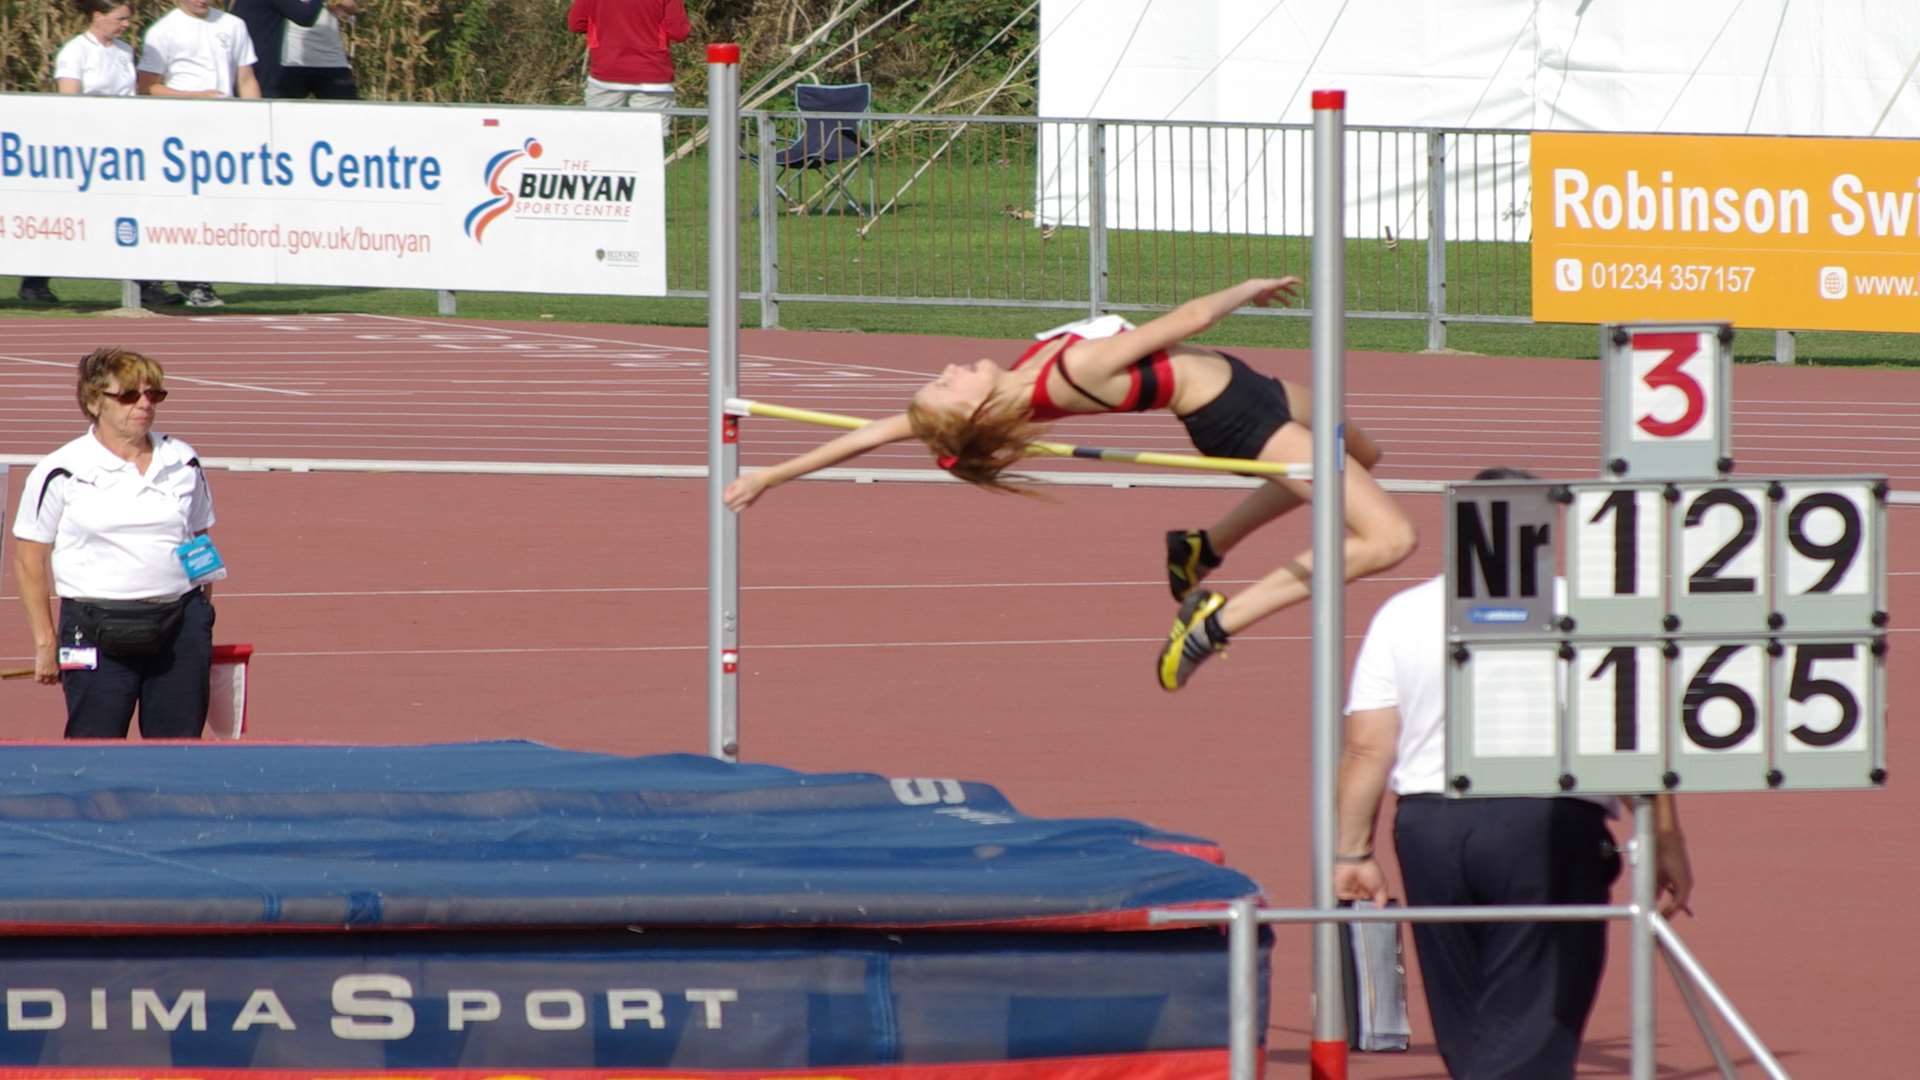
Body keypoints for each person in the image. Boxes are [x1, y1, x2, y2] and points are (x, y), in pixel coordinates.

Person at [722, 277, 1419, 691]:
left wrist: (772, 475)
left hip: (1249, 384)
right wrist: (1249, 289)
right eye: (946, 383)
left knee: (1365, 451)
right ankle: (1215, 621)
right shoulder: (1069, 376)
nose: (948, 366)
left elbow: (871, 433)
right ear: (974, 410)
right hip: (1235, 417)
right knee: (1388, 538)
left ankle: (1205, 545)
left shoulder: (1020, 379)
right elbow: (1185, 321)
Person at [1334, 466, 1694, 1080]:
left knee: (1464, 1011)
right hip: (1545, 820)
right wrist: (1665, 838)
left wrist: (1352, 851)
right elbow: (1631, 736)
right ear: (1545, 526)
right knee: (1536, 1014)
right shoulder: (1584, 610)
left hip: (1430, 826)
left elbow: (1369, 747)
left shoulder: (1402, 613)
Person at [11, 347, 220, 739]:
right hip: (93, 629)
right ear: (94, 402)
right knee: (95, 750)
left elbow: (198, 539)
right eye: (128, 395)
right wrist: (45, 642)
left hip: (179, 627)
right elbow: (29, 558)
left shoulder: (183, 460)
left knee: (179, 753)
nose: (143, 404)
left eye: (152, 394)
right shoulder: (61, 470)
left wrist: (203, 617)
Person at [137, 0, 263, 309]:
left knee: (215, 209)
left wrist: (257, 124)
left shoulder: (233, 25)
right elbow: (148, 87)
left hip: (222, 135)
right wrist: (197, 96)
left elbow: (245, 79)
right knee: (177, 208)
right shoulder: (163, 30)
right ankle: (174, 280)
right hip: (178, 137)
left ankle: (197, 278)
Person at [17, 0, 138, 306]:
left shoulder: (124, 51)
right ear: (98, 16)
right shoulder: (75, 51)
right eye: (120, 18)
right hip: (85, 149)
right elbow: (69, 101)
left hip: (122, 148)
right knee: (66, 215)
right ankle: (35, 282)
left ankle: (143, 284)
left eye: (128, 19)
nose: (125, 25)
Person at [567, 0, 691, 111]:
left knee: (601, 133)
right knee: (647, 135)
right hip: (652, 74)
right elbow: (678, 32)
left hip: (606, 72)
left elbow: (577, 24)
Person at [230, 0, 360, 100]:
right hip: (288, 62)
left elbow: (351, 8)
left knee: (347, 112)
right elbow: (303, 16)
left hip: (330, 59)